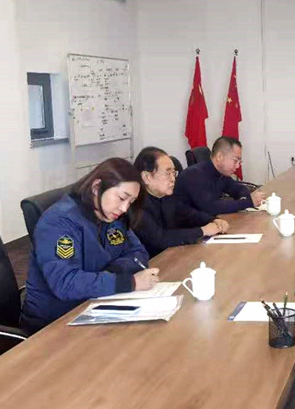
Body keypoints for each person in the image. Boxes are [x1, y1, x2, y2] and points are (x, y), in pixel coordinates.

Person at [21, 158, 160, 333]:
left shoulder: (112, 215)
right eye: (122, 198)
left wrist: (109, 273)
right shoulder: (58, 222)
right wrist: (129, 282)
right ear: (96, 187)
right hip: (53, 324)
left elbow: (138, 253)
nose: (125, 208)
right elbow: (65, 283)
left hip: (95, 305)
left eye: (130, 202)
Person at [133, 147, 229, 258]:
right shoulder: (135, 204)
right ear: (147, 177)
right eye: (168, 173)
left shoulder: (167, 197)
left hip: (174, 256)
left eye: (174, 173)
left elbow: (190, 215)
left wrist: (214, 220)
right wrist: (202, 231)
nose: (173, 179)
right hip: (152, 263)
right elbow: (161, 239)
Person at [174, 136, 265, 215]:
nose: (237, 166)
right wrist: (247, 202)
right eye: (235, 161)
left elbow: (238, 189)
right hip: (185, 226)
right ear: (219, 157)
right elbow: (211, 207)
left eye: (239, 162)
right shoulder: (195, 175)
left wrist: (246, 198)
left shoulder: (220, 173)